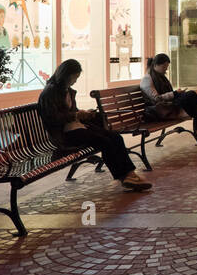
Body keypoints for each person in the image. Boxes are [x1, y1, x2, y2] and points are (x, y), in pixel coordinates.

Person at [38, 60, 152, 191]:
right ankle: (124, 177)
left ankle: (130, 174)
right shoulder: (50, 93)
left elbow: (70, 112)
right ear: (65, 75)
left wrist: (85, 114)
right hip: (64, 135)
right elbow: (53, 118)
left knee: (115, 137)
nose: (75, 81)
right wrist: (76, 115)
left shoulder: (66, 90)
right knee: (105, 142)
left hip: (76, 127)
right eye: (74, 77)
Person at [140, 54, 197, 153]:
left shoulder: (160, 77)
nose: (166, 69)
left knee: (196, 109)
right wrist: (174, 94)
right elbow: (156, 99)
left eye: (167, 67)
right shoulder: (147, 79)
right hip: (159, 111)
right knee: (192, 97)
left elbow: (166, 96)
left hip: (168, 106)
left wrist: (177, 94)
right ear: (156, 65)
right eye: (164, 67)